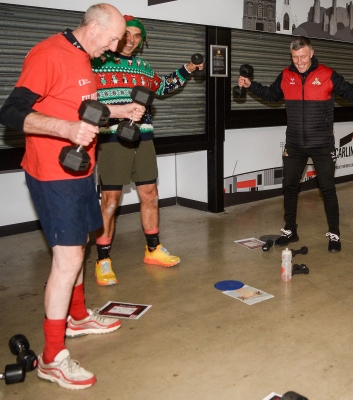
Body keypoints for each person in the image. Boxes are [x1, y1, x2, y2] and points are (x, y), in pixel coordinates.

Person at [0, 4, 146, 389]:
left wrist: (118, 111)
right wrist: (66, 130)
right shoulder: (49, 54)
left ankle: (77, 316)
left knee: (81, 244)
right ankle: (52, 358)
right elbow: (11, 113)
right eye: (114, 38)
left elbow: (82, 109)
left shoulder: (84, 57)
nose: (116, 47)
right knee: (67, 260)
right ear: (94, 27)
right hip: (52, 174)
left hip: (80, 169)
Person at [91, 15, 204, 286]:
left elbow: (163, 86)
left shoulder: (143, 66)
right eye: (126, 34)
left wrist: (188, 68)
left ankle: (153, 249)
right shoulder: (96, 61)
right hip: (111, 137)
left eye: (137, 36)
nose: (131, 40)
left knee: (150, 193)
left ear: (142, 40)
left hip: (143, 137)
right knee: (110, 201)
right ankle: (103, 259)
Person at [236, 36, 353, 252]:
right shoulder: (286, 75)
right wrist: (251, 85)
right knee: (290, 187)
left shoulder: (328, 74)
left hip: (322, 143)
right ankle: (290, 230)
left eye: (303, 57)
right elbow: (272, 95)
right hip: (294, 143)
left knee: (327, 189)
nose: (299, 62)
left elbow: (351, 94)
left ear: (311, 53)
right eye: (295, 57)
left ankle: (335, 234)